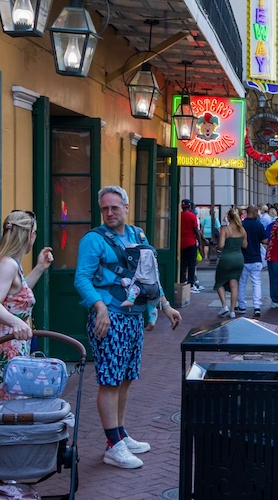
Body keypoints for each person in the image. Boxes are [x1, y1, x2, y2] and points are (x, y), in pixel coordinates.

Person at [75, 186, 181, 469]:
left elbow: (149, 276)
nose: (109, 213)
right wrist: (98, 307)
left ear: (126, 207)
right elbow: (81, 279)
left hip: (133, 316)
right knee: (109, 380)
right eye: (105, 209)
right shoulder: (93, 240)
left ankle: (120, 434)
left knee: (126, 378)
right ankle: (113, 445)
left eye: (114, 207)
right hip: (108, 317)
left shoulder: (137, 235)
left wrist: (164, 305)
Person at [0, 210, 53, 400]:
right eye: (35, 233)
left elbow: (16, 298)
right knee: (7, 410)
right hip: (5, 348)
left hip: (11, 346)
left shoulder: (11, 262)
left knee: (10, 409)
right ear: (29, 235)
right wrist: (17, 323)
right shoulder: (8, 265)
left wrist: (39, 268)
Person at [214, 208, 247, 317]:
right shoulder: (242, 230)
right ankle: (232, 311)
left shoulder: (225, 229)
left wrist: (217, 247)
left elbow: (221, 245)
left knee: (219, 282)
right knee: (234, 285)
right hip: (239, 258)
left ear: (228, 217)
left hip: (227, 258)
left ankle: (224, 306)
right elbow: (245, 245)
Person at [238, 205, 266, 318]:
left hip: (243, 258)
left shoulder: (242, 224)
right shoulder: (258, 225)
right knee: (256, 283)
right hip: (256, 258)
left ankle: (242, 306)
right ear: (254, 212)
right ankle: (257, 307)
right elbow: (264, 240)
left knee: (242, 283)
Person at [179, 199, 201, 291]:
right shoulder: (192, 216)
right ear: (190, 206)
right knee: (192, 264)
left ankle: (182, 279)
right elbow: (196, 230)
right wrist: (199, 243)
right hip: (191, 242)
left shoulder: (179, 216)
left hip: (181, 243)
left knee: (182, 263)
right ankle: (191, 282)